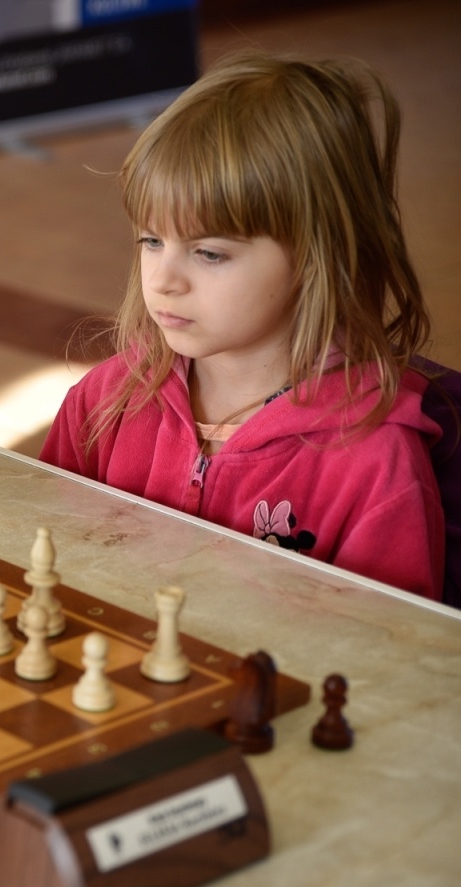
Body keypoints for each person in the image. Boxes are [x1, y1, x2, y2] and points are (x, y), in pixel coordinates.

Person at [40, 51, 443, 600]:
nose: (163, 280)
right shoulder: (103, 401)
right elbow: (40, 555)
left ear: (316, 256)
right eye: (151, 241)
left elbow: (391, 660)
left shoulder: (374, 464)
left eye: (208, 253)